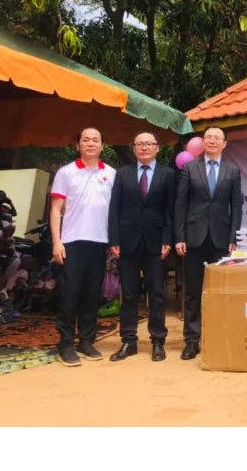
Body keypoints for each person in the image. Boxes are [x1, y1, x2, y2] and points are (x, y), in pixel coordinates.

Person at [49, 127, 116, 367]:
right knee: (70, 293)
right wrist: (57, 242)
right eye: (85, 140)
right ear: (77, 145)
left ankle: (86, 341)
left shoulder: (111, 174)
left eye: (95, 140)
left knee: (92, 294)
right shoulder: (66, 173)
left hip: (99, 242)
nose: (90, 143)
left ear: (102, 146)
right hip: (72, 241)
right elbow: (56, 209)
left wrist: (114, 241)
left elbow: (114, 212)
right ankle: (65, 343)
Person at [174, 127, 243, 361]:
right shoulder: (189, 168)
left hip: (221, 239)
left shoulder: (232, 171)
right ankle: (192, 340)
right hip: (194, 237)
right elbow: (181, 205)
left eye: (217, 138)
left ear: (225, 144)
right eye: (208, 137)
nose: (212, 141)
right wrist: (180, 236)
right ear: (203, 143)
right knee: (193, 291)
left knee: (220, 291)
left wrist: (234, 237)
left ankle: (217, 336)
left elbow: (237, 207)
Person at [107, 132, 175, 362]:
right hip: (127, 242)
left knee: (157, 293)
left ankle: (157, 341)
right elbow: (114, 209)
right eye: (139, 144)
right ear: (134, 148)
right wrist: (114, 240)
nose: (144, 147)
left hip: (156, 243)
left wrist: (168, 239)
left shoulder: (167, 174)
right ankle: (129, 341)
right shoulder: (122, 173)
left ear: (157, 148)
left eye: (148, 144)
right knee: (128, 294)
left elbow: (170, 211)